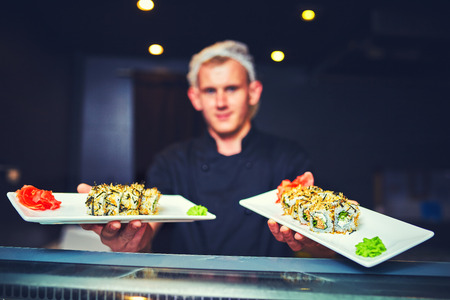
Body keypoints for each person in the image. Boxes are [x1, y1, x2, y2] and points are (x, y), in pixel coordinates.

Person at [78, 40, 334, 257]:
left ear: (253, 92)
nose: (221, 102)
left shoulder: (288, 157)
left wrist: (319, 238)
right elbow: (146, 232)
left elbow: (318, 246)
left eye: (231, 89)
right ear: (195, 98)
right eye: (210, 91)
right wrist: (130, 239)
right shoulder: (171, 161)